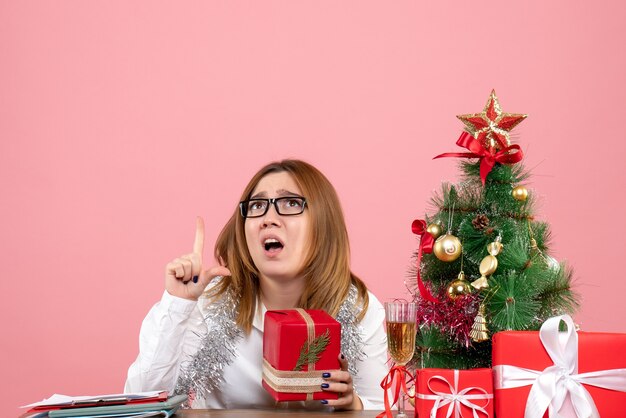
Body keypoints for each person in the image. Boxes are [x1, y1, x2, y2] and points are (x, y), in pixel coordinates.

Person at [125, 159, 388, 410]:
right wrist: (178, 303)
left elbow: (380, 408)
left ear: (323, 222)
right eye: (257, 206)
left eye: (291, 203)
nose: (268, 218)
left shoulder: (358, 309)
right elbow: (143, 403)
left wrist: (354, 404)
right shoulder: (210, 304)